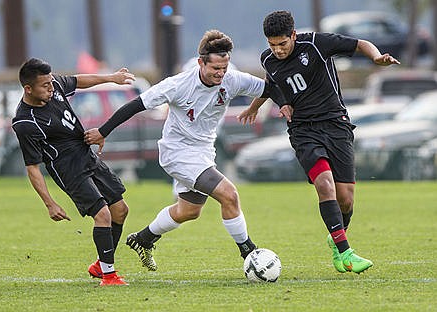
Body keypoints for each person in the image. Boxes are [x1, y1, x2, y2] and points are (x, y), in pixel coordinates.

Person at [84, 30, 283, 271]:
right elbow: (135, 106)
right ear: (201, 62)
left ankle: (143, 239)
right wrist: (103, 131)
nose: (221, 74)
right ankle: (250, 254)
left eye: (224, 67)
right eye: (215, 68)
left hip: (204, 152)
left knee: (189, 211)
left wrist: (256, 107)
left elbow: (270, 89)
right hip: (177, 152)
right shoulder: (178, 85)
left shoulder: (232, 79)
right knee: (229, 194)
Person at [238, 11, 400, 274]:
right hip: (303, 131)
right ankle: (345, 253)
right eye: (272, 45)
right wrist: (265, 105)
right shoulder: (267, 60)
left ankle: (336, 237)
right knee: (325, 186)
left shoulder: (316, 44)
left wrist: (376, 57)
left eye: (282, 43)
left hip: (336, 125)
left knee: (345, 199)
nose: (277, 50)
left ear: (293, 35)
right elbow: (272, 85)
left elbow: (359, 43)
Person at [12, 58, 136, 286]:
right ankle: (108, 276)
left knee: (120, 210)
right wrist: (50, 203)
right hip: (68, 170)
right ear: (28, 89)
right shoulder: (25, 122)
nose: (51, 88)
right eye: (45, 86)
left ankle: (100, 264)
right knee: (103, 215)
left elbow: (79, 81)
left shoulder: (54, 85)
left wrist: (112, 78)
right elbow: (32, 167)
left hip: (87, 156)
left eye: (51, 83)